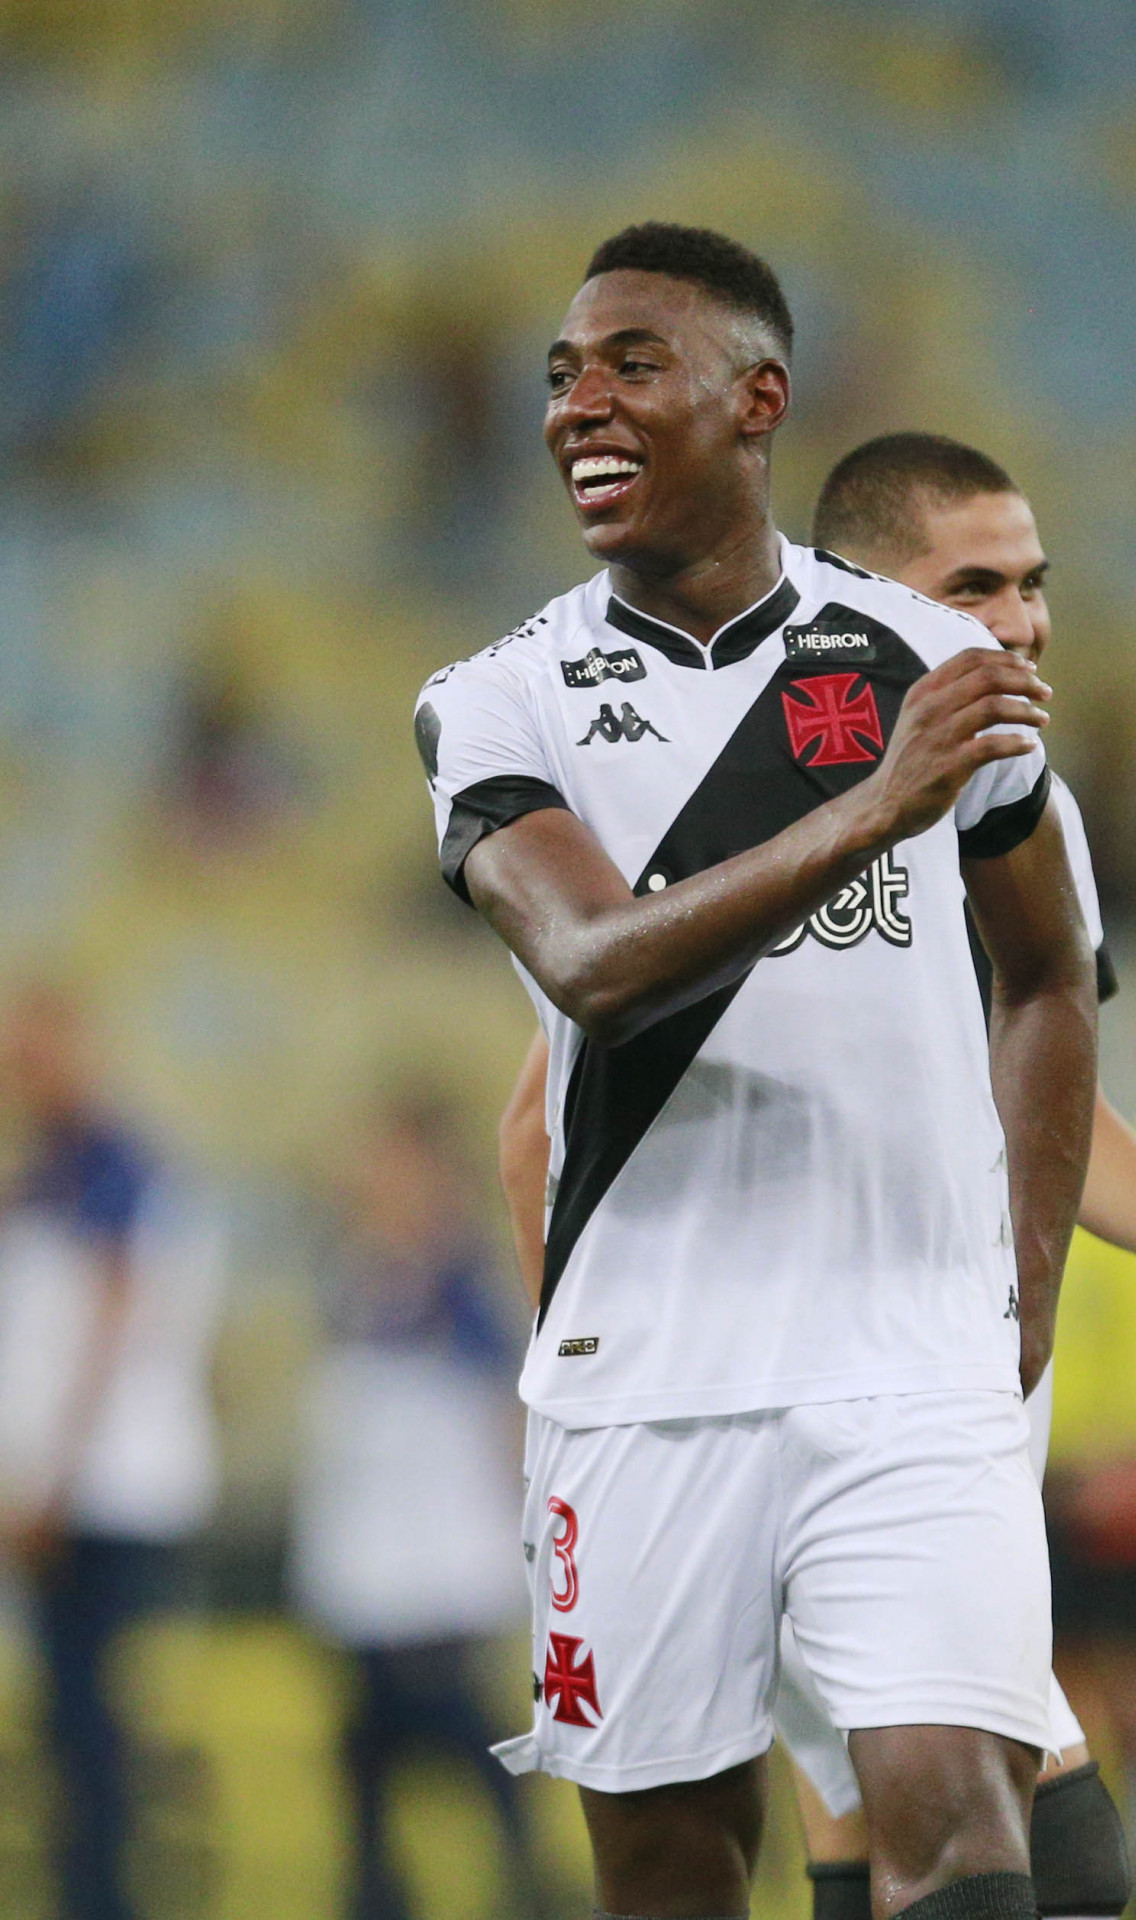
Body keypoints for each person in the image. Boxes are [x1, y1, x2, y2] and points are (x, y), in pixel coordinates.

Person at [416, 223, 1097, 1920]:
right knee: (673, 1875)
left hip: (909, 1365)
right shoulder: (496, 703)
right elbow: (589, 969)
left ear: (755, 401)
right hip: (643, 1380)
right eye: (562, 374)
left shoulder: (934, 664)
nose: (582, 402)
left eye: (631, 363)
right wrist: (872, 805)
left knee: (974, 1853)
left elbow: (1047, 980)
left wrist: (1023, 1272)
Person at [498, 431, 1136, 1920]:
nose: (1018, 623)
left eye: (1034, 585)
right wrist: (589, 1387)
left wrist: (1074, 1283)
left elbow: (1035, 1097)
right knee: (1026, 1852)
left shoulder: (1021, 796)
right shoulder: (749, 797)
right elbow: (535, 1126)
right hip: (760, 1392)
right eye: (976, 586)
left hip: (926, 1377)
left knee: (957, 1848)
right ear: (872, 605)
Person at [288, 1095, 547, 1920]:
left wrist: (524, 1531)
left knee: (458, 1728)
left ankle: (528, 1884)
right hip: (361, 1561)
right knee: (365, 1750)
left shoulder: (462, 1283)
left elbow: (502, 1410)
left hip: (439, 1558)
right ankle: (376, 1895)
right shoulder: (350, 1275)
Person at [0, 983, 227, 1920]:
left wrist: (47, 1482)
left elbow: (108, 1329)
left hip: (107, 1492)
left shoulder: (110, 1162)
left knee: (94, 1732)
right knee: (71, 1729)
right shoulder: (52, 1167)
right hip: (72, 1490)